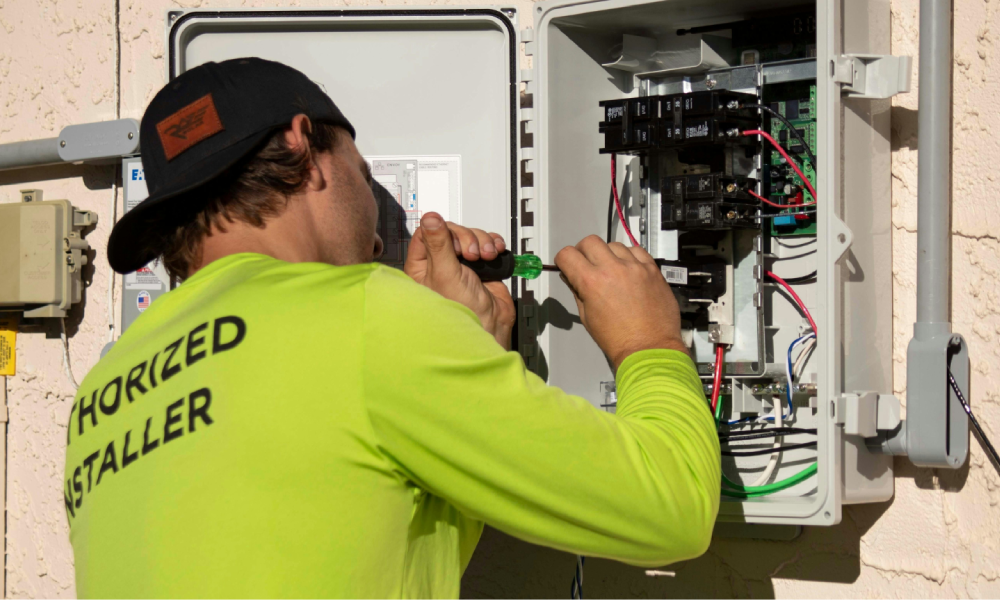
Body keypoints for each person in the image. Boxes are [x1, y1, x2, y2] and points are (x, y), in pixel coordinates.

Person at [63, 57, 720, 599]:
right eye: (364, 171)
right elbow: (673, 509)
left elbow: (378, 545)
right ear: (304, 146)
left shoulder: (100, 393)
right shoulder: (366, 317)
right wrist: (649, 340)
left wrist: (465, 342)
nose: (381, 230)